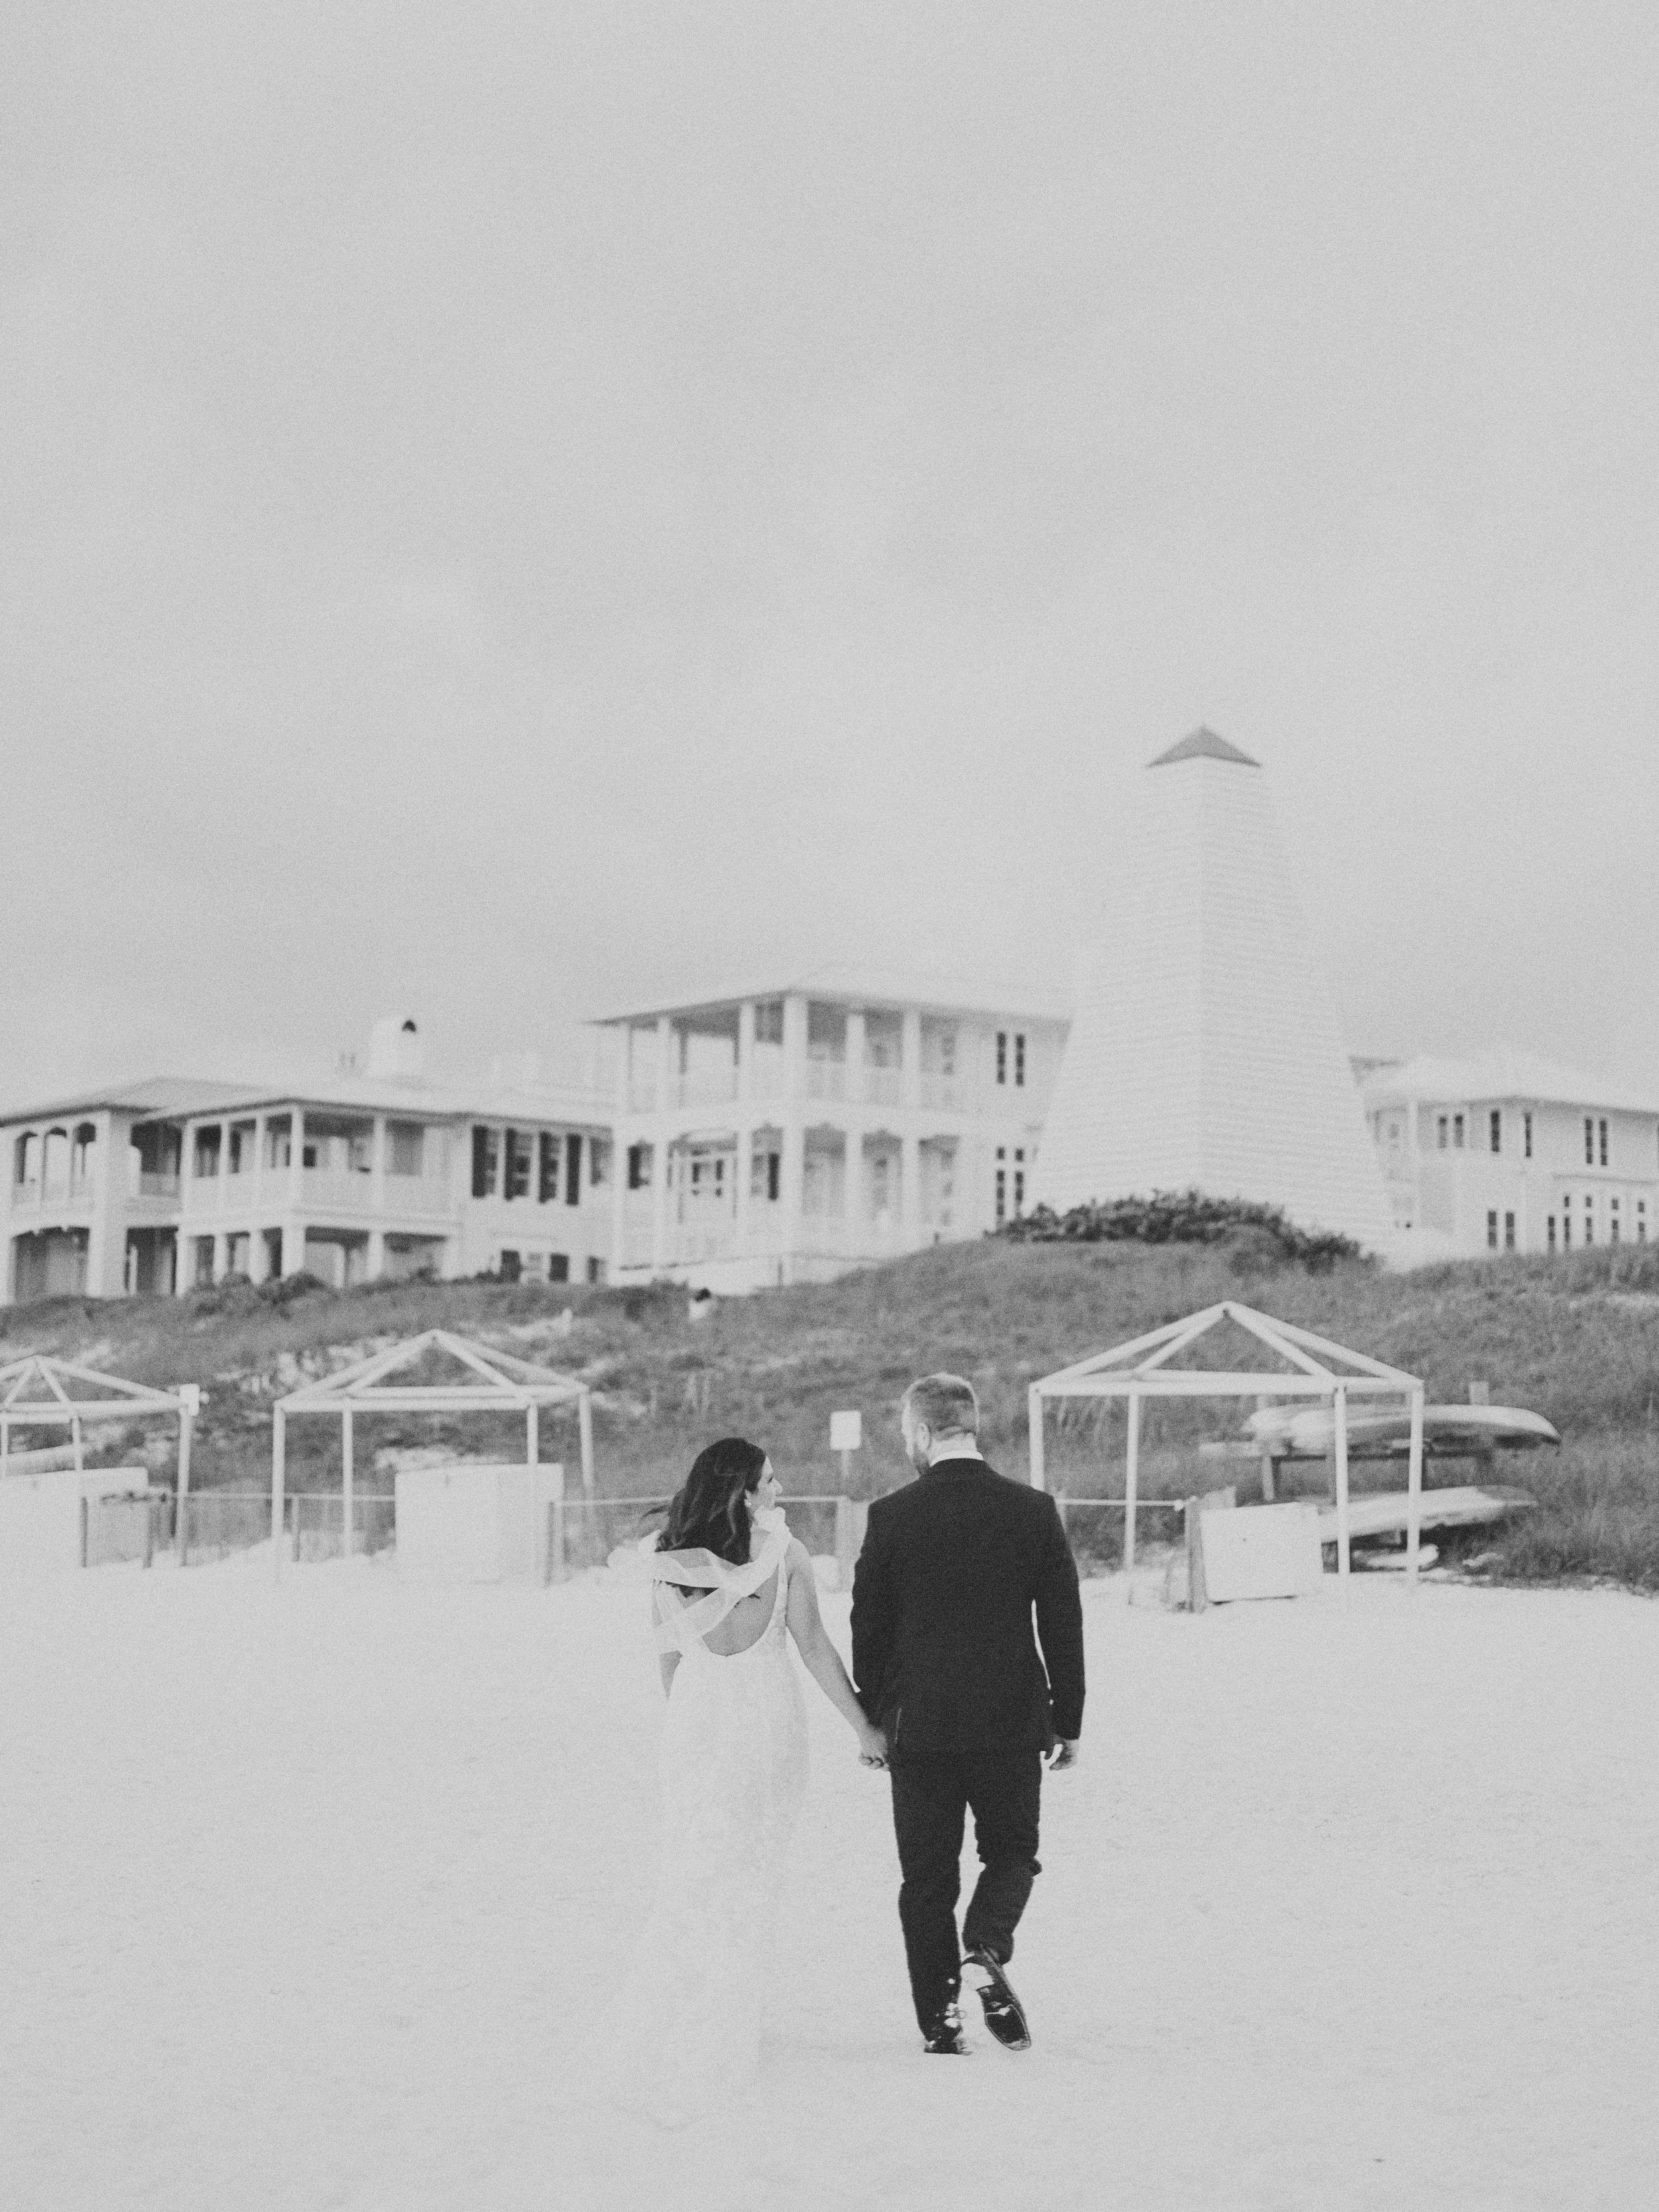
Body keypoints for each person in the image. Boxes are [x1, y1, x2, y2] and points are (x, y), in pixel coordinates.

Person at [609, 1437, 887, 2127]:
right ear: (742, 1493)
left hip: (699, 1722)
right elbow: (815, 1649)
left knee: (696, 1865)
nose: (780, 1485)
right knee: (752, 1870)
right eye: (769, 1479)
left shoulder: (669, 1564)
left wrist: (685, 1734)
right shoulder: (783, 1556)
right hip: (765, 1724)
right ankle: (734, 2016)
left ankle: (697, 2006)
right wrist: (865, 1729)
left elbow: (669, 1662)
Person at [851, 1373, 1084, 2056]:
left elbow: (868, 1627)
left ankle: (940, 2022)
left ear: (923, 1433)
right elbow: (1062, 1625)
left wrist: (878, 1717)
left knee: (926, 1878)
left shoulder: (891, 1516)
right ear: (971, 1427)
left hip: (918, 1726)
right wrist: (1066, 1720)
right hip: (1011, 1721)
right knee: (1012, 1853)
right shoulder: (1032, 1510)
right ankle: (984, 1945)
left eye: (905, 1434)